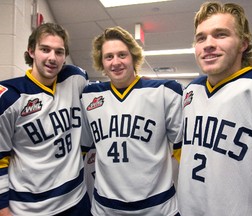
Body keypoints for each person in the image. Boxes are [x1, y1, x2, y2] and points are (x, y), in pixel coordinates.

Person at [177, 1, 252, 215]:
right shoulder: (191, 91)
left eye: (221, 34)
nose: (208, 44)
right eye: (201, 37)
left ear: (243, 44)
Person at [81, 26, 183, 215]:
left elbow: (184, 150)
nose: (116, 62)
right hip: (106, 208)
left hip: (158, 207)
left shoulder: (164, 91)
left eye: (122, 55)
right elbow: (83, 148)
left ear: (133, 57)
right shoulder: (89, 96)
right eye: (108, 57)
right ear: (101, 63)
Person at [0, 23, 92, 216]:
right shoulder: (10, 97)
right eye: (45, 49)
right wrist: (2, 208)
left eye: (59, 52)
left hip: (76, 200)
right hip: (29, 209)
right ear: (31, 51)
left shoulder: (75, 79)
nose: (52, 58)